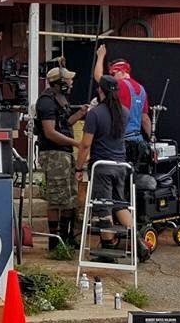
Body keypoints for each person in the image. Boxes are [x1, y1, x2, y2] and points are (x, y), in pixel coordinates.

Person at [34, 66, 88, 249]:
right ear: (60, 84)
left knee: (69, 198)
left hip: (64, 153)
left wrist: (79, 114)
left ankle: (66, 237)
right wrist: (76, 143)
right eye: (68, 80)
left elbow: (64, 123)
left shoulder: (61, 99)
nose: (72, 83)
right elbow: (50, 132)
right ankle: (54, 241)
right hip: (54, 154)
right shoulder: (46, 102)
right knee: (57, 198)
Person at [76, 75, 133, 231]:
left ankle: (108, 245)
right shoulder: (125, 112)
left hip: (101, 166)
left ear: (100, 89)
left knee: (103, 207)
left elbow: (86, 144)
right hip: (120, 164)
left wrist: (78, 167)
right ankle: (137, 241)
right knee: (119, 204)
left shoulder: (95, 113)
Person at [94, 45, 151, 162]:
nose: (112, 78)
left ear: (120, 71)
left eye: (112, 74)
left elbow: (98, 77)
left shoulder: (120, 85)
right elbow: (145, 119)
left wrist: (100, 57)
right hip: (137, 141)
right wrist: (151, 140)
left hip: (121, 142)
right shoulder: (141, 89)